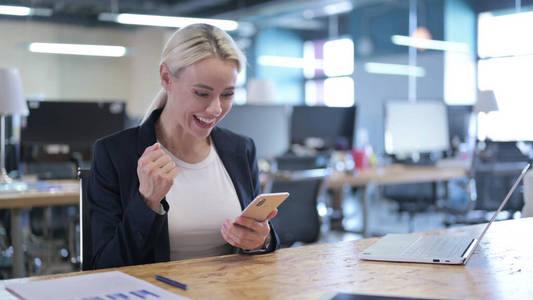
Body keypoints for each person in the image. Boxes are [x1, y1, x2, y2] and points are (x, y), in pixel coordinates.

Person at [87, 23, 280, 269]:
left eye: (227, 94)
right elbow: (102, 266)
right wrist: (146, 202)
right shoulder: (115, 154)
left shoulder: (241, 149)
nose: (216, 109)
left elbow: (264, 243)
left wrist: (261, 240)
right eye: (202, 93)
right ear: (167, 78)